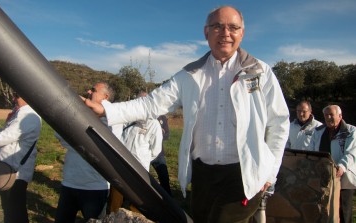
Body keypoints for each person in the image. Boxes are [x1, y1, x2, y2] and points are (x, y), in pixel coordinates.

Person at [84, 6, 289, 223]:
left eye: (233, 27)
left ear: (242, 33)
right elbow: (151, 104)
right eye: (217, 26)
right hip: (202, 176)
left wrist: (269, 173)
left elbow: (279, 123)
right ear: (206, 32)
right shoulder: (190, 74)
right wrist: (107, 109)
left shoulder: (260, 72)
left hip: (242, 176)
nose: (225, 33)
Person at [54, 82, 123, 223]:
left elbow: (100, 145)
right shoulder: (80, 113)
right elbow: (61, 136)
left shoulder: (113, 119)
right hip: (69, 182)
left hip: (94, 187)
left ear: (105, 96)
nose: (88, 91)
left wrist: (77, 140)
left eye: (93, 90)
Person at [0, 93, 42, 223]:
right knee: (10, 209)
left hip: (15, 173)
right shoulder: (21, 113)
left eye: (17, 95)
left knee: (15, 212)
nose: (13, 98)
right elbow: (8, 137)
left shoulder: (27, 117)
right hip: (9, 170)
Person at [309, 105, 356, 223]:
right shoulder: (318, 131)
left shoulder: (351, 131)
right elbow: (313, 150)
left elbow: (351, 153)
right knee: (324, 211)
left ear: (340, 116)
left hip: (343, 177)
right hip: (323, 177)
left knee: (344, 212)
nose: (328, 117)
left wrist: (341, 167)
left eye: (331, 115)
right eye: (326, 115)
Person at [151, 114, 173, 196]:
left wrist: (159, 132)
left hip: (158, 153)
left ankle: (168, 198)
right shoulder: (144, 114)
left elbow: (167, 135)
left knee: (164, 175)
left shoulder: (162, 117)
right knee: (138, 175)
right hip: (144, 152)